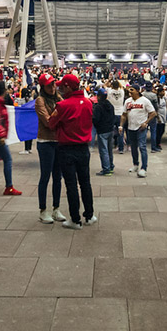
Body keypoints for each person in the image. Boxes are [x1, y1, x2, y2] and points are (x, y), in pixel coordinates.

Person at [46, 73, 98, 228]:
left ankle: (75, 219)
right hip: (83, 148)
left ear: (68, 86)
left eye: (62, 85)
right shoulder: (88, 103)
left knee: (71, 185)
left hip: (67, 149)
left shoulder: (63, 105)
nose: (60, 88)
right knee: (85, 183)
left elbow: (51, 123)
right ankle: (89, 216)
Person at [34, 73, 65, 224]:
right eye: (49, 85)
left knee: (58, 177)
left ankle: (56, 208)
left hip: (58, 141)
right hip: (45, 141)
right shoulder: (40, 100)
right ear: (42, 87)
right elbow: (48, 122)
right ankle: (43, 210)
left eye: (53, 84)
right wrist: (60, 111)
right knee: (45, 176)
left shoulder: (58, 98)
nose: (52, 88)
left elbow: (65, 114)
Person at [121, 83, 157, 178]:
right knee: (133, 147)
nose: (130, 91)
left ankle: (143, 168)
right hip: (130, 127)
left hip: (141, 128)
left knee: (142, 147)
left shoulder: (145, 101)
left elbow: (153, 113)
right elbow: (124, 114)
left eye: (132, 90)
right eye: (129, 89)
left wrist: (146, 122)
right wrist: (121, 126)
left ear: (137, 91)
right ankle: (135, 165)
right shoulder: (127, 101)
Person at [92, 86, 116, 176]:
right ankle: (110, 166)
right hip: (110, 129)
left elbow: (95, 119)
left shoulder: (98, 107)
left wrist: (96, 125)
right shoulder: (110, 105)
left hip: (102, 130)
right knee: (109, 150)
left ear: (98, 96)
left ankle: (106, 169)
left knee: (103, 150)